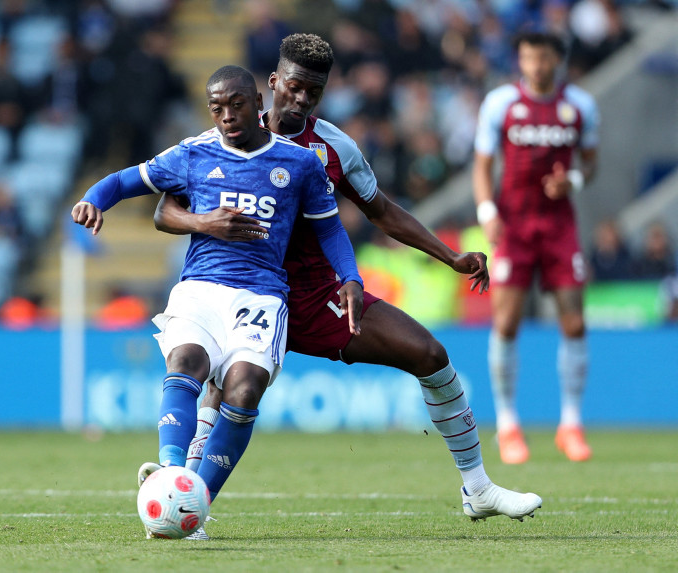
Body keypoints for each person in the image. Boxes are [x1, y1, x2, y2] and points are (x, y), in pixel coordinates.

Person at [155, 33, 542, 539]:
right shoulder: (217, 139)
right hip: (240, 292)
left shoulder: (334, 147)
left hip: (316, 298)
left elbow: (380, 211)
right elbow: (165, 208)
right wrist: (206, 222)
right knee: (228, 387)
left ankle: (478, 488)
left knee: (429, 354)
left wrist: (450, 256)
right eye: (292, 88)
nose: (300, 100)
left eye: (312, 93)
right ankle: (187, 500)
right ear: (272, 84)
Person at [71, 65, 364, 537]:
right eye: (217, 107)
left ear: (256, 101)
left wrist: (350, 276)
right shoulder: (194, 152)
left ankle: (197, 501)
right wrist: (93, 200)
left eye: (236, 105)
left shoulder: (299, 163)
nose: (227, 115)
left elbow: (328, 226)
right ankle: (172, 477)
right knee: (186, 360)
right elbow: (129, 180)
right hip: (201, 287)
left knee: (245, 390)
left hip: (263, 295)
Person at [472, 32, 600, 464]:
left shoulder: (580, 106)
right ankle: (507, 425)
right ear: (520, 60)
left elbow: (592, 163)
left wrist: (574, 181)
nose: (535, 66)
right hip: (514, 226)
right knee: (506, 323)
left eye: (543, 58)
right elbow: (483, 164)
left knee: (575, 322)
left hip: (560, 227)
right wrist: (487, 210)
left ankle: (571, 424)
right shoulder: (500, 103)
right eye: (528, 58)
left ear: (557, 60)